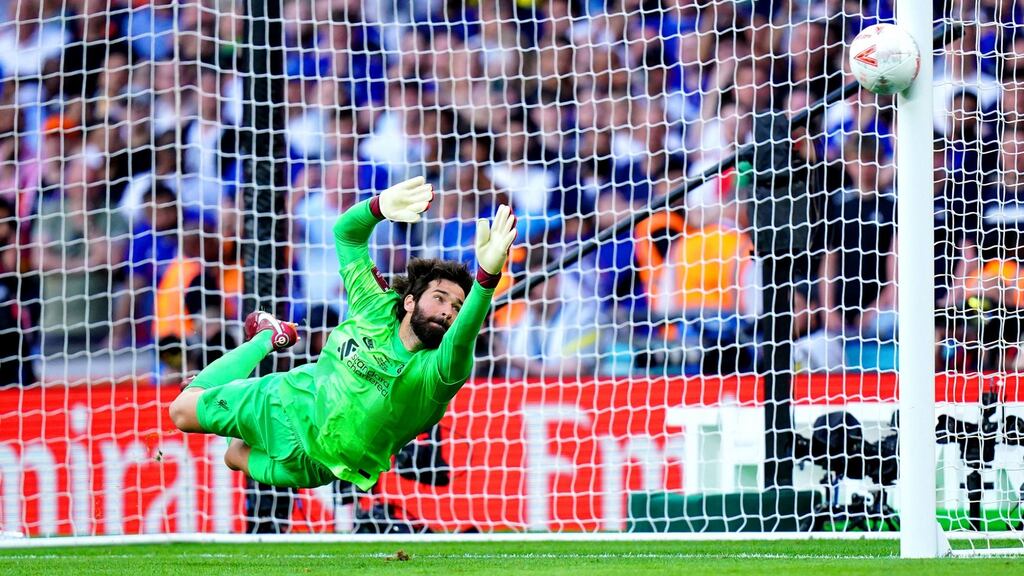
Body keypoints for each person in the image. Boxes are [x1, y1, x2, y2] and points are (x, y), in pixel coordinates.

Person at [169, 177, 518, 490]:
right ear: (410, 301)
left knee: (234, 455)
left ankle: (250, 356)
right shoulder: (376, 307)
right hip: (284, 402)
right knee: (182, 412)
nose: (447, 312)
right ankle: (266, 338)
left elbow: (463, 336)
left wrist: (486, 280)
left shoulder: (439, 372)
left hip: (319, 466)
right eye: (440, 299)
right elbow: (347, 235)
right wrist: (378, 206)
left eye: (457, 308)